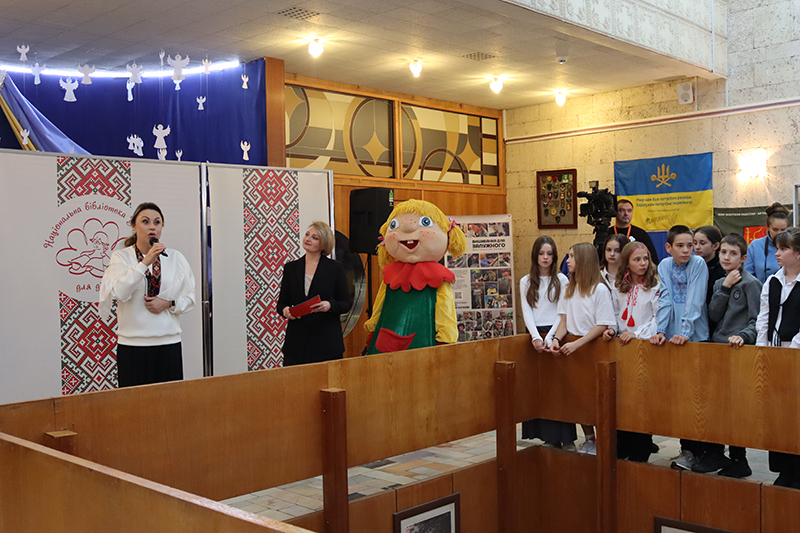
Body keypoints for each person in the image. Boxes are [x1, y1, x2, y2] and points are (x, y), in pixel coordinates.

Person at [99, 202, 196, 387]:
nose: (152, 227)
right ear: (133, 226)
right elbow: (120, 292)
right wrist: (145, 262)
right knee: (134, 403)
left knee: (169, 402)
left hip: (169, 344)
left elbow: (190, 299)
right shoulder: (121, 257)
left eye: (157, 222)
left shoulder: (175, 257)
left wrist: (168, 303)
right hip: (133, 346)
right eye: (145, 221)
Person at [694, 233, 762, 478]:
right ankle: (715, 454)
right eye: (723, 252)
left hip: (738, 351)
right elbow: (713, 315)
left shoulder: (751, 284)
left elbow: (757, 321)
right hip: (718, 349)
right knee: (715, 406)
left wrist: (743, 336)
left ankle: (739, 459)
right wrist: (724, 288)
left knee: (734, 408)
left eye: (733, 254)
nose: (726, 257)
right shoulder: (719, 283)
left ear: (743, 258)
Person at [549, 243, 618, 455]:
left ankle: (604, 440)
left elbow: (602, 324)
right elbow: (564, 321)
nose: (568, 260)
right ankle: (589, 438)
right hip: (573, 350)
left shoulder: (599, 289)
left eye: (572, 256)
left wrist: (577, 344)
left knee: (596, 398)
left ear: (584, 259)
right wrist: (556, 339)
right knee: (578, 398)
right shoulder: (569, 288)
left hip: (592, 348)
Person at [652, 225, 709, 470]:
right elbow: (664, 299)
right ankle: (685, 450)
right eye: (680, 246)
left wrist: (685, 331)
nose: (687, 250)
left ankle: (698, 451)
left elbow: (695, 299)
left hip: (695, 335)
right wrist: (660, 329)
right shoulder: (664, 266)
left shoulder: (698, 264)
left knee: (696, 397)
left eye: (690, 245)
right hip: (673, 337)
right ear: (668, 247)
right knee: (679, 397)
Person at [602, 241, 660, 462]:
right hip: (622, 347)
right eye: (637, 259)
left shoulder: (654, 287)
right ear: (627, 263)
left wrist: (637, 334)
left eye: (645, 259)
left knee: (641, 399)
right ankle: (622, 445)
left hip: (643, 347)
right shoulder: (618, 287)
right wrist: (612, 329)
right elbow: (615, 313)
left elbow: (657, 317)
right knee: (622, 398)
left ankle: (641, 447)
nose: (643, 263)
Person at [519, 236, 574, 448]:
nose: (545, 258)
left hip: (556, 333)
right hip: (534, 335)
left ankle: (566, 438)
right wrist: (535, 337)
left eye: (549, 254)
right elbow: (527, 311)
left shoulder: (562, 280)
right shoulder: (526, 281)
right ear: (535, 255)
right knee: (539, 387)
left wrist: (550, 337)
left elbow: (562, 312)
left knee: (558, 388)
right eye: (541, 253)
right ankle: (547, 438)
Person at [756, 227, 800, 488]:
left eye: (783, 249)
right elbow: (764, 318)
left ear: (798, 253)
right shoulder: (772, 281)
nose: (777, 253)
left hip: (795, 353)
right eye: (777, 248)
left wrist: (792, 349)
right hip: (773, 353)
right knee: (778, 413)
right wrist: (761, 350)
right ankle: (784, 468)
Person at [277, 222, 351, 366]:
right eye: (307, 235)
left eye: (315, 237)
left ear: (324, 243)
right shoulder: (291, 268)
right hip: (297, 344)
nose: (308, 239)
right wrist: (286, 311)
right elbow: (281, 303)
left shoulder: (335, 268)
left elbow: (345, 303)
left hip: (326, 342)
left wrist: (329, 305)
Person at [744, 202, 790, 283]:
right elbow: (748, 278)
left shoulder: (794, 247)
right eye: (775, 230)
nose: (779, 234)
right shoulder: (755, 246)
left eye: (783, 230)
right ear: (768, 227)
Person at [694, 225, 725, 335]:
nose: (697, 247)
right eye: (694, 243)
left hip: (716, 325)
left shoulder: (722, 271)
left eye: (702, 243)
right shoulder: (691, 267)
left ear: (715, 246)